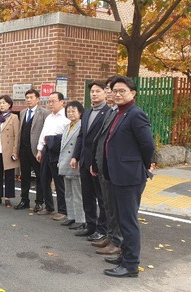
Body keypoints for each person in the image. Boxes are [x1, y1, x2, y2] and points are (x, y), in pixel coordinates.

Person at [101, 76, 154, 278]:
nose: (117, 94)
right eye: (115, 91)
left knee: (128, 221)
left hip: (129, 176)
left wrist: (143, 165)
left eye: (122, 91)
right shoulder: (119, 113)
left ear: (133, 93)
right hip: (117, 175)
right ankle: (125, 255)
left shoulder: (135, 114)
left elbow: (147, 145)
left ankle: (131, 265)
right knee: (123, 220)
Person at [70, 81, 111, 241]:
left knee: (101, 198)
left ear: (105, 93)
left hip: (99, 163)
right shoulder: (87, 113)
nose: (94, 94)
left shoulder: (108, 113)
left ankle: (102, 229)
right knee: (87, 196)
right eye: (92, 91)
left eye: (98, 91)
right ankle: (90, 225)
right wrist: (76, 156)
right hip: (85, 161)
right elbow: (81, 136)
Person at [90, 76, 123, 255]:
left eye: (113, 89)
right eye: (110, 89)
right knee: (108, 205)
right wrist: (96, 162)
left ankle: (117, 241)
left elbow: (146, 145)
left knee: (116, 208)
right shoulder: (112, 111)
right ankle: (111, 237)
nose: (111, 92)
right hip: (103, 166)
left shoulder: (127, 113)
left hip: (115, 169)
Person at [35, 92, 70, 220]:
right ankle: (49, 206)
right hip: (46, 150)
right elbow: (43, 134)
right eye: (49, 101)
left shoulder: (66, 117)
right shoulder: (49, 117)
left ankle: (63, 210)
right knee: (44, 179)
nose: (50, 103)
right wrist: (39, 150)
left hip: (58, 151)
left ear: (62, 102)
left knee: (59, 182)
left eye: (53, 101)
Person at [15, 89, 50, 211]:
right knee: (24, 176)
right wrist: (17, 149)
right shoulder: (23, 112)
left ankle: (39, 202)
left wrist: (42, 149)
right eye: (27, 98)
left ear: (37, 99)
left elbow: (46, 132)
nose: (28, 100)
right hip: (23, 149)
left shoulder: (44, 113)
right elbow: (20, 131)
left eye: (31, 97)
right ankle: (24, 200)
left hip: (36, 150)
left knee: (40, 176)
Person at [57, 101, 85, 230]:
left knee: (77, 193)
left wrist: (77, 158)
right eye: (68, 111)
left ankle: (80, 219)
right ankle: (71, 217)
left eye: (74, 111)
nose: (71, 113)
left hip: (75, 163)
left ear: (80, 112)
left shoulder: (82, 125)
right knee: (68, 193)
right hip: (65, 162)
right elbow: (63, 147)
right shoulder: (67, 126)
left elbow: (80, 145)